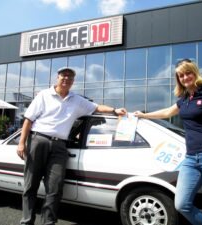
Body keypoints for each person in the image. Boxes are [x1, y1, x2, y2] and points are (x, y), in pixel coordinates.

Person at [134, 59, 202, 225]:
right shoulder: (183, 99)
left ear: (194, 72)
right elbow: (167, 112)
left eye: (187, 73)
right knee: (182, 203)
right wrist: (143, 115)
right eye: (181, 75)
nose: (185, 77)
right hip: (191, 158)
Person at [17, 67, 127, 225]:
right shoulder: (44, 95)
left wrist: (115, 110)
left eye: (70, 77)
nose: (66, 79)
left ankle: (48, 222)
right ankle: (26, 221)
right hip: (38, 140)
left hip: (60, 146)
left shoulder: (76, 100)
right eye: (63, 76)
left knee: (55, 188)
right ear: (57, 77)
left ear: (73, 81)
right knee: (30, 185)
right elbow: (28, 119)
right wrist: (21, 143)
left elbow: (96, 107)